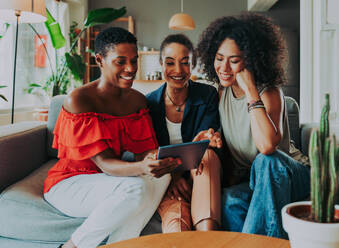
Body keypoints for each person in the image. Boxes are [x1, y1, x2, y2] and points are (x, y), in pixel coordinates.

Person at [43, 27, 180, 248]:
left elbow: (143, 153)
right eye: (121, 61)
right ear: (100, 60)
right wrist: (144, 167)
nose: (130, 69)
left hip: (109, 183)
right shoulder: (79, 100)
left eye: (134, 61)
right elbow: (106, 164)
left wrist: (157, 160)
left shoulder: (137, 101)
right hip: (69, 183)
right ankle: (73, 246)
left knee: (161, 177)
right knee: (135, 188)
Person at [196, 13, 310, 238]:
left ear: (251, 59)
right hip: (253, 182)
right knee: (229, 201)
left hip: (290, 175)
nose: (224, 67)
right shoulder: (219, 93)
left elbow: (267, 146)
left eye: (234, 60)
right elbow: (226, 138)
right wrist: (208, 138)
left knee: (267, 160)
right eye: (219, 58)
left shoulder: (269, 92)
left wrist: (250, 91)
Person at [146, 34, 222, 232]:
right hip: (166, 180)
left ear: (193, 64)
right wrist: (173, 177)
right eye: (170, 63)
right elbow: (148, 151)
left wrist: (208, 140)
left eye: (185, 62)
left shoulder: (207, 95)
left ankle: (208, 238)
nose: (178, 70)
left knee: (206, 155)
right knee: (176, 222)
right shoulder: (149, 104)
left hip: (200, 173)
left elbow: (203, 146)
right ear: (161, 63)